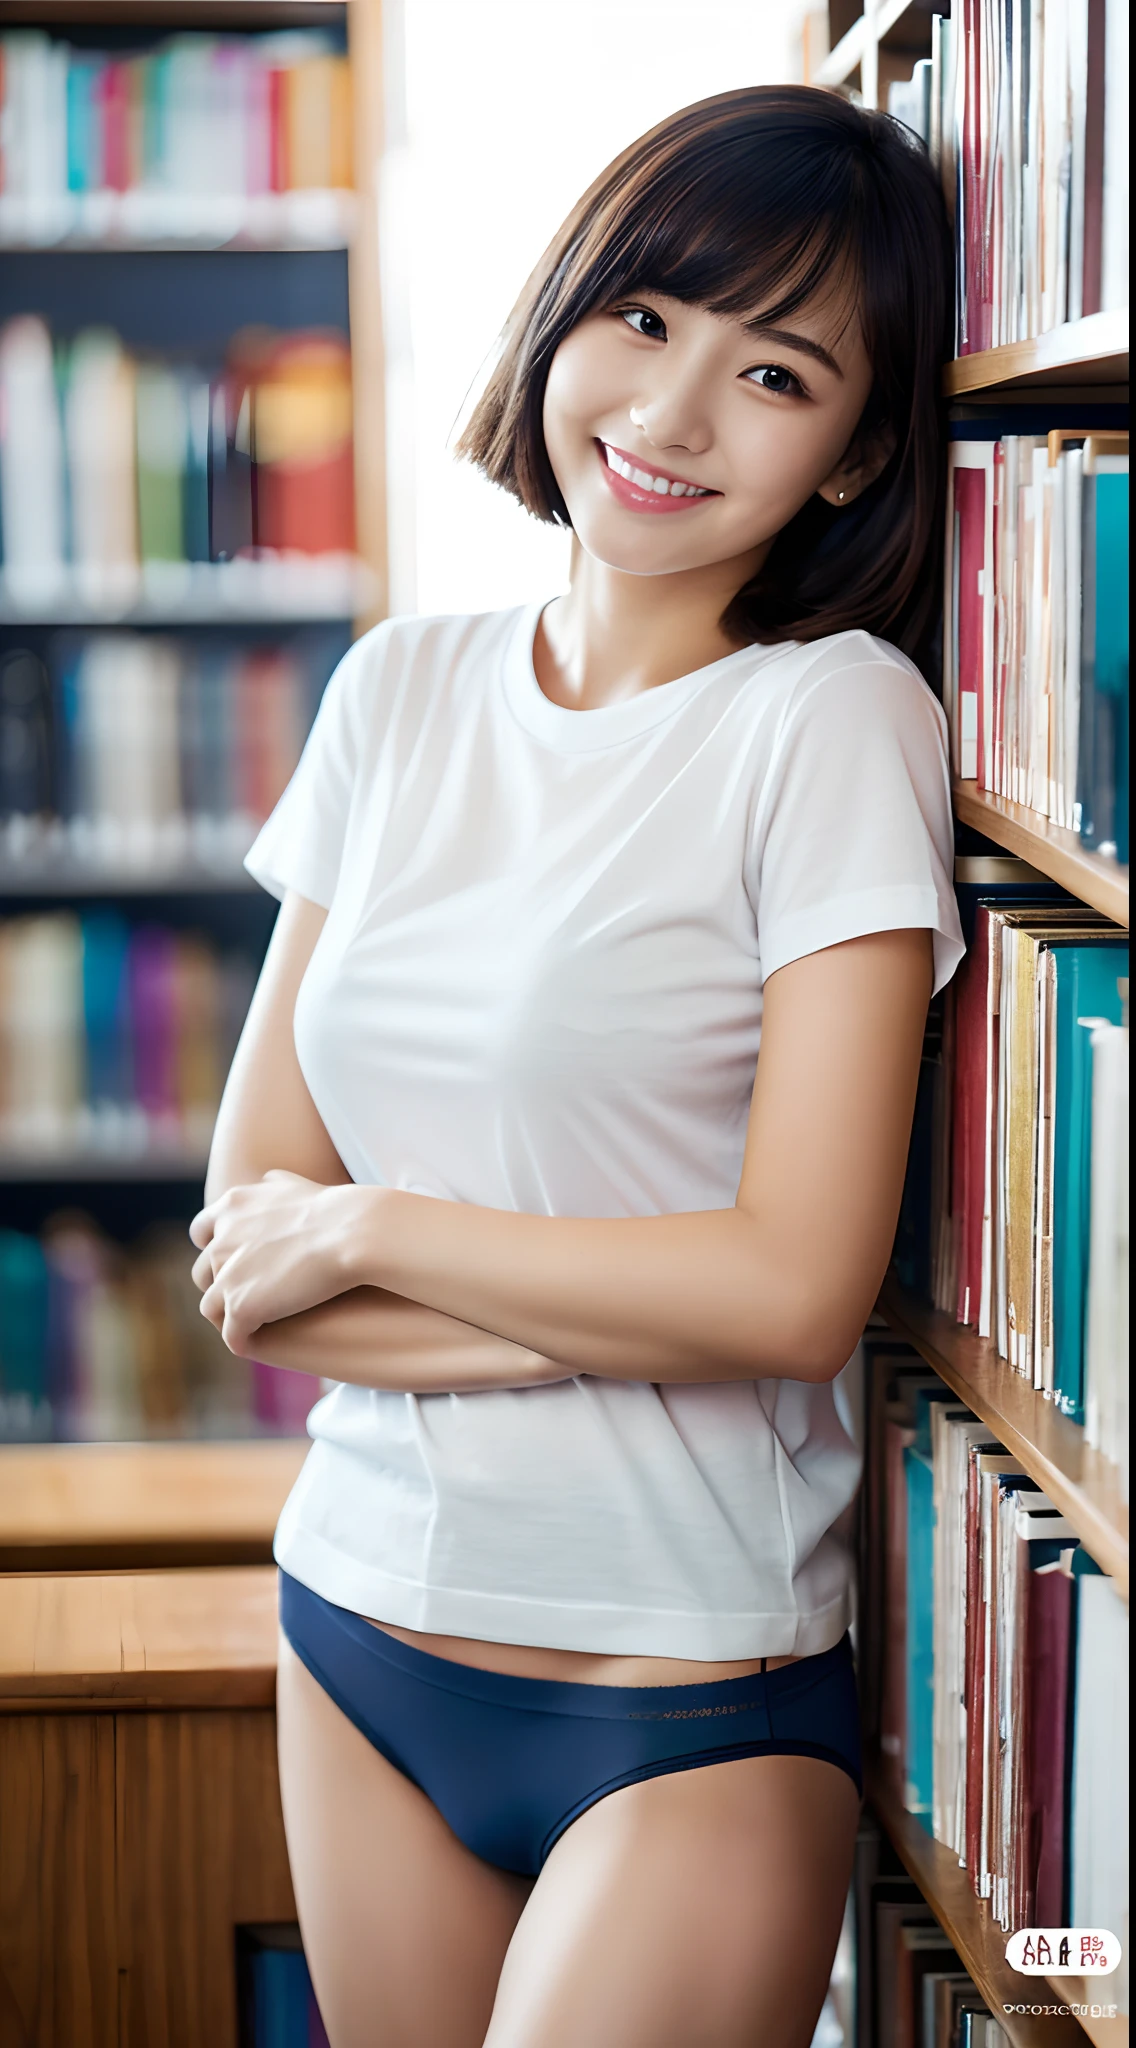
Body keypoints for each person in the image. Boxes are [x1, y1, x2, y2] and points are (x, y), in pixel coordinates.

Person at [190, 85, 963, 2048]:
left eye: (771, 370)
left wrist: (382, 1225)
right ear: (563, 318)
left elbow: (789, 1292)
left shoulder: (829, 726)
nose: (673, 412)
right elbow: (241, 1247)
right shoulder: (400, 688)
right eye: (643, 320)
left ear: (858, 444)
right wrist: (626, 1299)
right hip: (355, 1617)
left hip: (679, 1685)